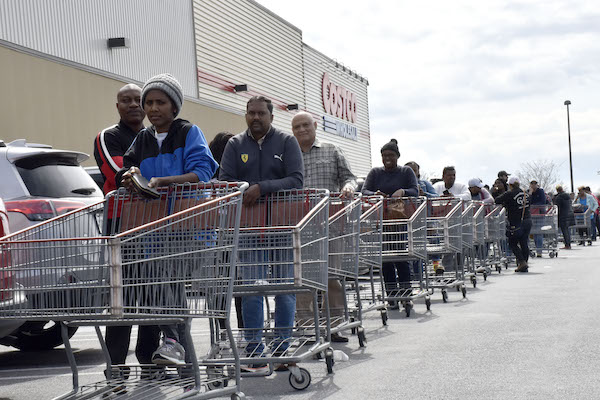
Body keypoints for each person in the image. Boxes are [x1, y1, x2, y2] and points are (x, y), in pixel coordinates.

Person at [116, 73, 219, 365]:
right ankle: (183, 362)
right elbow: (129, 168)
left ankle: (172, 341)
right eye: (148, 102)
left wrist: (167, 181)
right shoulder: (142, 139)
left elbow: (203, 172)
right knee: (163, 284)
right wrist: (130, 179)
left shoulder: (188, 132)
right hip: (155, 230)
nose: (152, 108)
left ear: (174, 106)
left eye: (160, 102)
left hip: (190, 229)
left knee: (165, 280)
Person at [219, 96, 303, 370]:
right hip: (250, 228)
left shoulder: (286, 142)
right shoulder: (235, 144)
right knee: (252, 290)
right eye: (250, 113)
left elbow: (296, 179)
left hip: (282, 225)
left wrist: (262, 187)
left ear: (271, 117)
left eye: (260, 114)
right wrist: (245, 188)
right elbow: (224, 180)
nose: (255, 118)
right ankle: (255, 350)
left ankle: (281, 349)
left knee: (284, 290)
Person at [93, 83, 161, 374]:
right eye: (126, 100)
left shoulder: (156, 136)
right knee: (122, 298)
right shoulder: (109, 137)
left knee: (153, 296)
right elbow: (121, 174)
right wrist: (159, 175)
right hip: (122, 225)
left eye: (138, 100)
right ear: (117, 106)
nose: (134, 105)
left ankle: (150, 360)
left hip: (156, 223)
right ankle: (116, 365)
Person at [291, 111, 356, 343]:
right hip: (301, 225)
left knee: (332, 276)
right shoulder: (289, 155)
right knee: (304, 278)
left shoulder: (332, 150)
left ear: (315, 125)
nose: (301, 130)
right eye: (296, 127)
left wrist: (348, 188)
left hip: (331, 224)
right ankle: (307, 327)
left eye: (305, 125)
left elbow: (350, 177)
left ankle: (335, 326)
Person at [362, 139, 418, 308]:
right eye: (384, 155)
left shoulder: (406, 172)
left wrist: (403, 191)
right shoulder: (375, 173)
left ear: (397, 156)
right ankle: (392, 296)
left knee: (401, 259)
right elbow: (364, 190)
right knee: (386, 260)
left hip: (401, 221)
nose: (387, 158)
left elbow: (414, 191)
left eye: (391, 155)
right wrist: (375, 193)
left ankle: (406, 294)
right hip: (382, 222)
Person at [495, 177, 531, 272]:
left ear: (510, 185)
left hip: (516, 222)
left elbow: (497, 200)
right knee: (524, 242)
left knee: (512, 243)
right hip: (527, 220)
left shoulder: (510, 194)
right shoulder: (525, 194)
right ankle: (524, 264)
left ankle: (522, 261)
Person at [529, 180, 549, 257]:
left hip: (540, 214)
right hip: (532, 215)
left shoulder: (540, 191)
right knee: (534, 232)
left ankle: (539, 250)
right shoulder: (529, 192)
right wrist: (530, 194)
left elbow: (543, 201)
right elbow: (528, 202)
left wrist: (534, 206)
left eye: (535, 184)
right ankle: (537, 247)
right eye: (532, 184)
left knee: (539, 232)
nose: (533, 186)